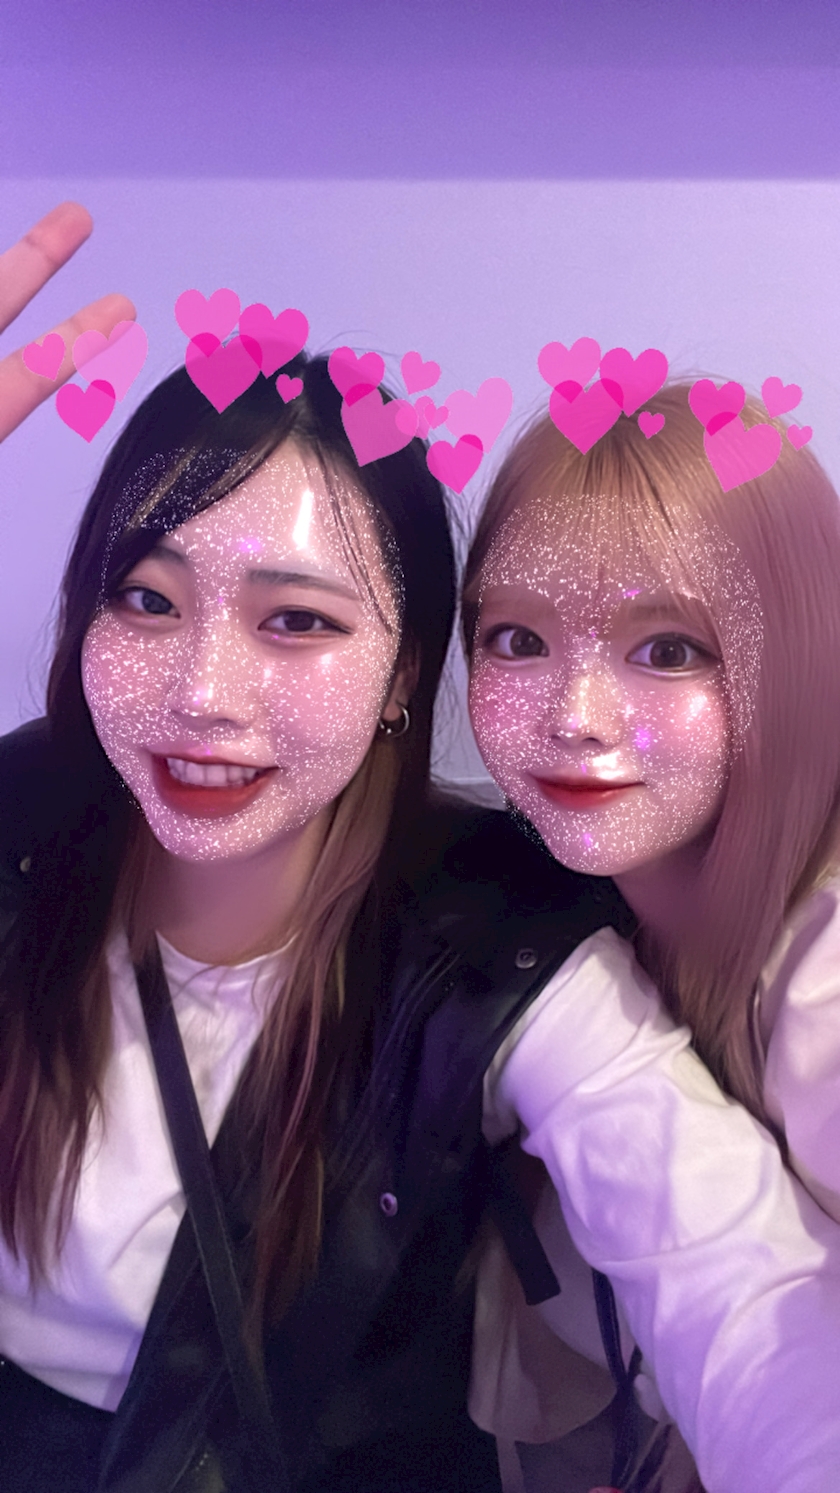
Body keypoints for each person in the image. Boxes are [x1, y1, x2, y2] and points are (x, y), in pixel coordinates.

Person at [2, 210, 840, 1493]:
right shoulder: (22, 826)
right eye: (148, 599)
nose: (203, 693)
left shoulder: (495, 945)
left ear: (403, 670)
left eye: (296, 621)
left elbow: (734, 1276)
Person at [463, 382, 840, 1488]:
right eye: (518, 638)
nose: (576, 715)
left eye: (668, 650)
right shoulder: (539, 889)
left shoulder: (820, 971)